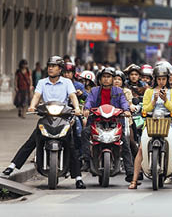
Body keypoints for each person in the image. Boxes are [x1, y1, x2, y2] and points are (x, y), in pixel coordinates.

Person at [3, 56, 85, 189]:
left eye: (54, 66)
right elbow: (36, 96)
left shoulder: (67, 83)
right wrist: (32, 106)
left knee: (71, 144)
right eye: (49, 66)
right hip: (46, 115)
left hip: (63, 117)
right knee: (33, 140)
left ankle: (78, 178)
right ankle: (12, 166)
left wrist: (76, 108)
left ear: (60, 69)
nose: (50, 68)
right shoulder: (42, 82)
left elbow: (72, 96)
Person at [129, 65, 172, 189]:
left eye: (163, 79)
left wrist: (166, 100)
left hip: (169, 124)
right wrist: (154, 101)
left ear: (168, 79)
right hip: (151, 124)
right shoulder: (149, 92)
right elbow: (144, 109)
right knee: (141, 149)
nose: (161, 81)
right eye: (159, 79)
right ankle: (134, 181)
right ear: (155, 79)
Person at [81, 67, 135, 183]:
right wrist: (86, 109)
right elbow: (89, 101)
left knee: (125, 142)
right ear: (100, 79)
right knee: (84, 133)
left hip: (115, 122)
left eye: (109, 77)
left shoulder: (118, 91)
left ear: (112, 78)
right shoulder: (94, 91)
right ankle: (86, 161)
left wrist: (126, 110)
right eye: (104, 77)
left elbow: (124, 102)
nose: (106, 79)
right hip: (96, 122)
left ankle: (130, 172)